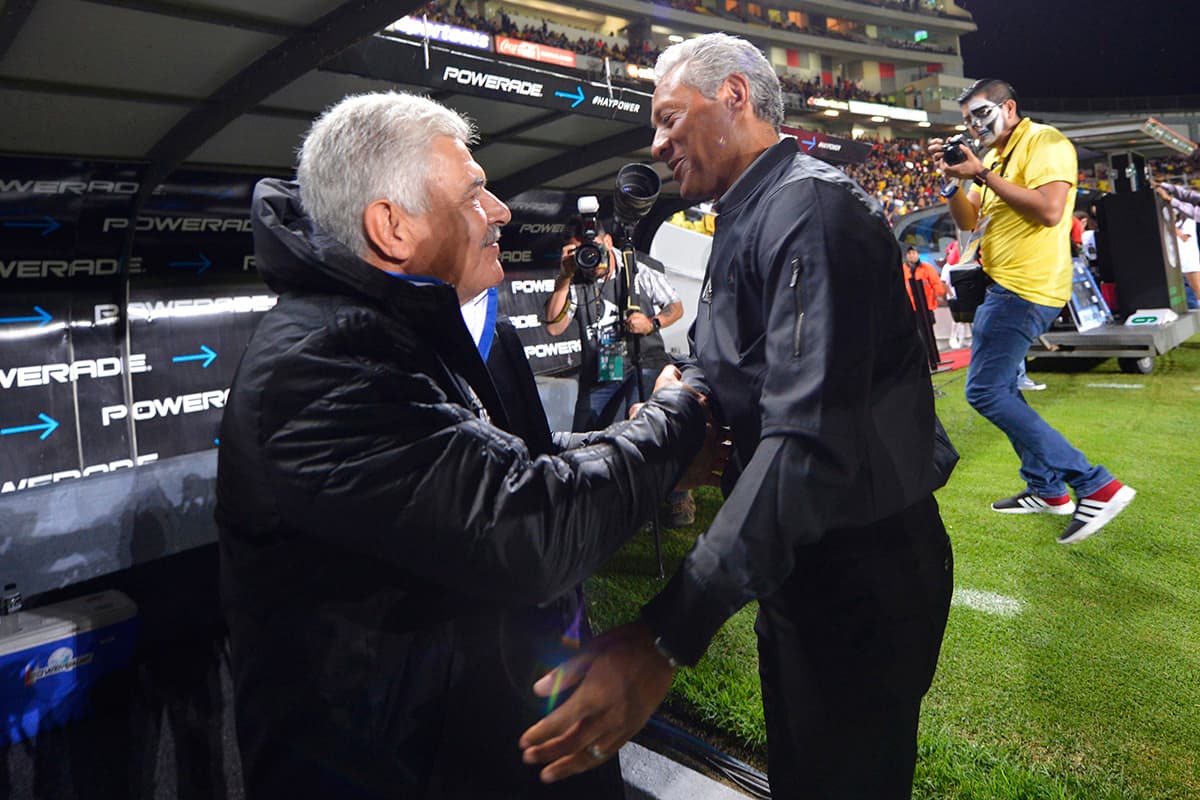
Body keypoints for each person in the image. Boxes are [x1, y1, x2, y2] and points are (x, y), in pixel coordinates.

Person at [216, 90, 715, 800]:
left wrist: (641, 437)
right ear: (392, 225)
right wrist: (680, 414)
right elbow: (528, 522)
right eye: (476, 193)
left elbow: (501, 461)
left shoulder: (392, 335)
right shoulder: (322, 369)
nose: (502, 212)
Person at [520, 33, 954, 800]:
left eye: (667, 118)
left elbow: (808, 439)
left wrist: (665, 634)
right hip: (802, 566)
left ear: (734, 98)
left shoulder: (810, 209)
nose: (655, 145)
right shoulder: (750, 211)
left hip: (862, 569)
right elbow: (721, 376)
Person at [928, 78, 1136, 543]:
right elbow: (966, 221)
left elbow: (1049, 210)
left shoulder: (1045, 141)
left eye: (980, 114)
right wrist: (952, 180)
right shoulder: (997, 157)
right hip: (1004, 284)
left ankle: (1094, 483)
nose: (974, 126)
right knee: (999, 387)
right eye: (967, 120)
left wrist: (981, 174)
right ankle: (1047, 488)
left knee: (983, 391)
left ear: (1009, 107)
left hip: (1025, 287)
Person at [542, 217, 696, 526]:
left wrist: (652, 323)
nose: (591, 258)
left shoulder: (637, 267)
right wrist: (563, 277)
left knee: (648, 424)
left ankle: (676, 498)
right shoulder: (575, 278)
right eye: (581, 251)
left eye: (595, 248)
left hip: (645, 359)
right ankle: (592, 499)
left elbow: (675, 306)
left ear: (609, 242)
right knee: (585, 432)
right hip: (602, 368)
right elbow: (554, 326)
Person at [1154, 180, 1200, 308]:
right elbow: (1188, 195)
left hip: (1189, 260)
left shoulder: (1189, 217)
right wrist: (1163, 184)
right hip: (1174, 259)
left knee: (1195, 292)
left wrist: (1170, 199)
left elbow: (1192, 212)